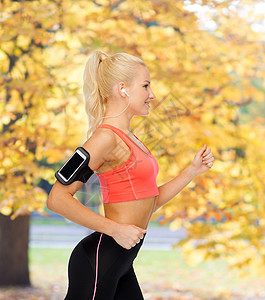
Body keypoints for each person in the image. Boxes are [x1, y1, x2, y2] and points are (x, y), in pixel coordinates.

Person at [47, 50, 214, 300]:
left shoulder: (132, 140)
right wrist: (115, 229)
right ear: (123, 89)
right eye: (146, 86)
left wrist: (191, 171)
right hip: (98, 261)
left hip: (121, 262)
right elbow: (57, 198)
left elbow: (148, 202)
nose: (152, 95)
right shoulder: (104, 139)